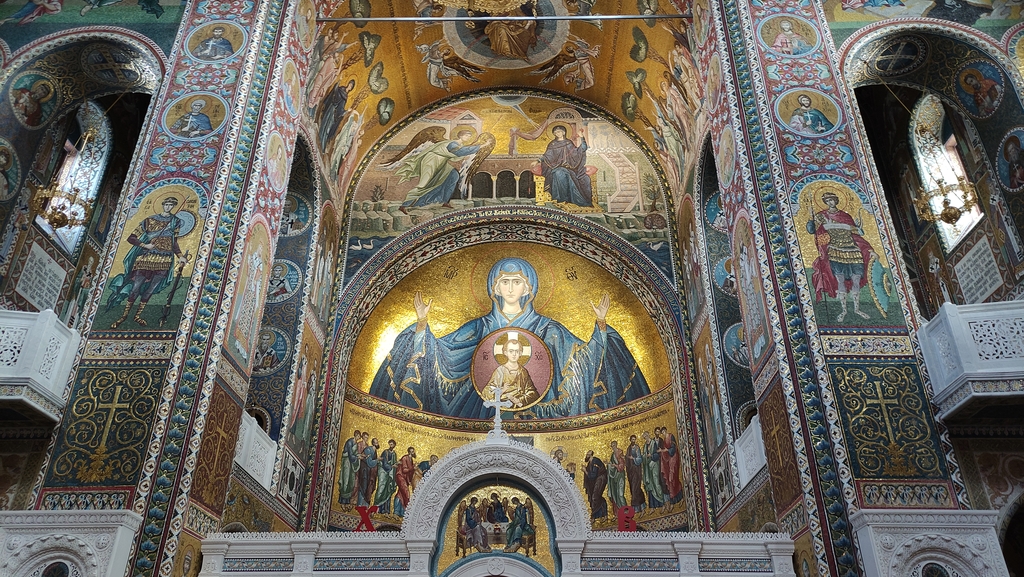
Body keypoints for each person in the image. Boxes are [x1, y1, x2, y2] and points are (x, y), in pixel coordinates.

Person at [368, 258, 651, 419]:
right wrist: (421, 325)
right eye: (505, 282)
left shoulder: (550, 329)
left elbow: (581, 356)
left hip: (536, 417)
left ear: (529, 288)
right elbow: (445, 352)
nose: (511, 288)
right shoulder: (479, 327)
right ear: (495, 288)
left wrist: (601, 325)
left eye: (518, 282)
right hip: (482, 414)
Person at [106, 196, 191, 329]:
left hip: (164, 259)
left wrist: (180, 256)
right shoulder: (149, 220)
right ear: (163, 204)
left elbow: (174, 242)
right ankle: (124, 316)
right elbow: (131, 238)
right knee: (135, 287)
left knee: (151, 289)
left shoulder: (176, 221)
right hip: (146, 258)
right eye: (166, 204)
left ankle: (137, 316)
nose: (168, 207)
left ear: (173, 206)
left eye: (171, 205)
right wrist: (145, 245)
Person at [806, 190, 876, 322]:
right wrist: (811, 218)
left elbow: (858, 233)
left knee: (856, 279)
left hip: (853, 250)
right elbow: (812, 230)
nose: (830, 202)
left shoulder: (845, 216)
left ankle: (857, 309)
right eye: (827, 201)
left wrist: (869, 249)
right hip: (835, 251)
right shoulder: (821, 216)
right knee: (840, 280)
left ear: (836, 201)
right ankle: (844, 310)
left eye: (832, 200)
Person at [382, 128, 482, 212]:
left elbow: (453, 156)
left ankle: (444, 201)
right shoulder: (452, 143)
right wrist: (482, 146)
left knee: (453, 175)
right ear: (460, 135)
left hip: (441, 162)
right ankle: (404, 205)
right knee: (424, 184)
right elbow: (459, 152)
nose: (468, 138)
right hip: (431, 161)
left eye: (469, 136)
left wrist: (462, 157)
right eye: (467, 135)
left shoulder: (459, 145)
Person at [538, 125, 593, 206]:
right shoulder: (552, 144)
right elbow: (547, 156)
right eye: (555, 132)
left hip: (570, 168)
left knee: (581, 178)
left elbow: (582, 149)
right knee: (559, 173)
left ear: (563, 132)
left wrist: (582, 137)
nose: (557, 133)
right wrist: (538, 161)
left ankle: (572, 199)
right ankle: (561, 199)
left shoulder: (568, 143)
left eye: (559, 131)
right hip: (555, 168)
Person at [484, 337, 539, 408]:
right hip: (502, 405)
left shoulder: (523, 371)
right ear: (505, 353)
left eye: (517, 351)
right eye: (511, 351)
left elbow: (532, 392)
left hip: (518, 405)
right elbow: (487, 391)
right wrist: (502, 390)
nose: (514, 354)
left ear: (520, 353)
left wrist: (519, 400)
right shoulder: (500, 371)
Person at [657, 427, 683, 504]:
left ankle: (680, 497)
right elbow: (665, 453)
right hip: (669, 461)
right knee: (670, 479)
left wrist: (665, 450)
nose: (663, 433)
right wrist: (662, 451)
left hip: (674, 459)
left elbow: (673, 448)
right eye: (662, 432)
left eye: (664, 431)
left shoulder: (671, 436)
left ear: (666, 430)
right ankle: (674, 499)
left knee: (672, 479)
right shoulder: (664, 440)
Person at [641, 430, 665, 509]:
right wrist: (644, 456)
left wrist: (651, 455)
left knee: (656, 483)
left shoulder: (654, 443)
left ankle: (662, 503)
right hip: (648, 468)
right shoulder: (645, 446)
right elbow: (644, 456)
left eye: (646, 435)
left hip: (654, 465)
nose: (646, 437)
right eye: (644, 437)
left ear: (648, 435)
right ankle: (652, 506)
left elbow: (657, 454)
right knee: (650, 485)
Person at [374, 439, 398, 514]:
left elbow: (394, 463)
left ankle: (386, 510)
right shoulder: (385, 452)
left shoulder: (394, 454)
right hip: (383, 472)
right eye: (390, 444)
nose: (391, 446)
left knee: (388, 489)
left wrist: (397, 464)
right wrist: (392, 466)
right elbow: (384, 463)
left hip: (390, 473)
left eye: (392, 444)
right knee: (381, 488)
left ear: (394, 445)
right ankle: (376, 507)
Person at [583, 450, 609, 519]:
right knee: (595, 497)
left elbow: (593, 476)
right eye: (587, 454)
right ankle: (604, 515)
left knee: (595, 497)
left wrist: (585, 471)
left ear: (591, 455)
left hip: (601, 479)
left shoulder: (595, 461)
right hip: (596, 481)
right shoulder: (590, 463)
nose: (586, 456)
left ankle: (593, 517)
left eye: (588, 454)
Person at [338, 430, 361, 505]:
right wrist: (357, 457)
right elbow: (350, 454)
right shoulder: (350, 442)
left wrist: (359, 455)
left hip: (351, 462)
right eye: (358, 436)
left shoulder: (355, 443)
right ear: (356, 435)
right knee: (346, 479)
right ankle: (342, 500)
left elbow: (355, 453)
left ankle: (347, 499)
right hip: (346, 461)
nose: (359, 438)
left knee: (351, 479)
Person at [357, 436, 380, 507]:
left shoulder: (374, 451)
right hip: (364, 472)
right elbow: (370, 463)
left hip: (369, 473)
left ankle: (365, 505)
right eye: (376, 442)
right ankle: (360, 504)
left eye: (377, 442)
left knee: (368, 488)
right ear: (373, 443)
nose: (377, 444)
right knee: (363, 487)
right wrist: (377, 460)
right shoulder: (368, 450)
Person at [625, 435, 646, 512]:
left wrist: (633, 458)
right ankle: (641, 506)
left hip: (636, 471)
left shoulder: (637, 448)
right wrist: (626, 458)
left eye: (634, 439)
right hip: (631, 471)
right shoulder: (629, 448)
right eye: (632, 439)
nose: (633, 441)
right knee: (632, 488)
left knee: (635, 488)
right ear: (630, 440)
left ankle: (638, 507)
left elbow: (640, 459)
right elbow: (627, 458)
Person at [395, 446, 417, 516]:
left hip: (405, 479)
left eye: (413, 451)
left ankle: (399, 512)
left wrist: (409, 481)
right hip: (400, 476)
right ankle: (406, 510)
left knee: (400, 494)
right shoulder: (405, 458)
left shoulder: (411, 459)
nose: (413, 453)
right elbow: (404, 470)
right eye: (412, 451)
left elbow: (409, 472)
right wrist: (413, 467)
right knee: (406, 493)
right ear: (409, 452)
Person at [607, 440, 627, 513]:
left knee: (620, 494)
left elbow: (622, 465)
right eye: (612, 446)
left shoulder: (620, 452)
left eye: (614, 445)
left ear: (616, 445)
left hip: (620, 476)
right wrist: (609, 465)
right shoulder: (612, 455)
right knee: (615, 494)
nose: (613, 447)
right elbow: (612, 465)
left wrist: (615, 465)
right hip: (614, 476)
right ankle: (618, 513)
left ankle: (626, 511)